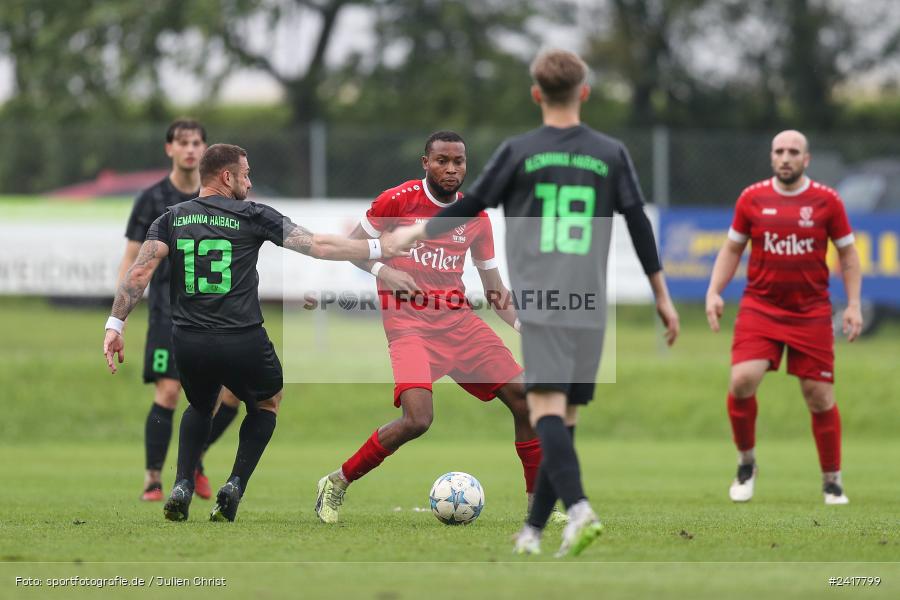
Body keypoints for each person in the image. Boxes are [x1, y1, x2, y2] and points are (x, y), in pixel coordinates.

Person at [391, 50, 680, 557]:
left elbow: (471, 203)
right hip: (587, 301)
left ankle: (581, 508)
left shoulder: (520, 151)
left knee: (544, 411)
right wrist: (661, 295)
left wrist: (417, 229)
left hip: (544, 298)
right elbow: (638, 223)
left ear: (536, 94)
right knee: (561, 419)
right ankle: (535, 531)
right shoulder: (611, 152)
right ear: (584, 93)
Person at [103, 143, 410, 522]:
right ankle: (234, 484)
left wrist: (115, 324)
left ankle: (181, 483)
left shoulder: (171, 218)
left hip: (188, 339)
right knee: (267, 401)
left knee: (199, 405)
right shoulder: (253, 215)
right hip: (242, 338)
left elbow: (138, 274)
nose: (250, 182)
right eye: (246, 174)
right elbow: (317, 246)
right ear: (227, 176)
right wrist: (380, 246)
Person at [314, 131, 563, 525]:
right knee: (418, 420)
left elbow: (495, 290)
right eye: (442, 160)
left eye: (458, 162)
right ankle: (336, 481)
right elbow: (351, 249)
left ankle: (540, 509)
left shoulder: (476, 217)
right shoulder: (396, 200)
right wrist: (383, 271)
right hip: (409, 326)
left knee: (526, 401)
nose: (451, 169)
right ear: (425, 162)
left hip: (460, 325)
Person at [705, 129, 862, 505]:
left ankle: (832, 480)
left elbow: (849, 255)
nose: (786, 157)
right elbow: (731, 249)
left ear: (806, 159)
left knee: (819, 395)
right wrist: (714, 291)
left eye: (794, 151)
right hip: (761, 306)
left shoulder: (827, 201)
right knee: (742, 380)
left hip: (811, 311)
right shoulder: (752, 198)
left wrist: (854, 304)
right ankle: (746, 464)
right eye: (779, 151)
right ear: (772, 157)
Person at [117, 119, 240, 502]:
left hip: (216, 314)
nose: (190, 149)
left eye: (197, 143)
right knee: (169, 391)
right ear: (169, 149)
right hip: (167, 314)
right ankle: (153, 478)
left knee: (232, 395)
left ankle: (194, 458)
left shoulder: (223, 198)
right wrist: (120, 313)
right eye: (183, 142)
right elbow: (132, 260)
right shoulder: (153, 199)